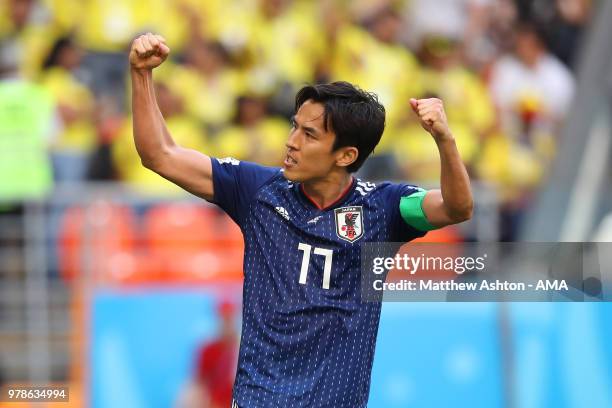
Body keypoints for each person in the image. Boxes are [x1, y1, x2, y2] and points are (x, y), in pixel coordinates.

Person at [129, 33, 473, 408]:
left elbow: (457, 208)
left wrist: (444, 140)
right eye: (294, 126)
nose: (291, 141)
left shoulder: (385, 208)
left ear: (345, 155)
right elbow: (159, 154)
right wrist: (141, 75)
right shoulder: (257, 189)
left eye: (308, 134)